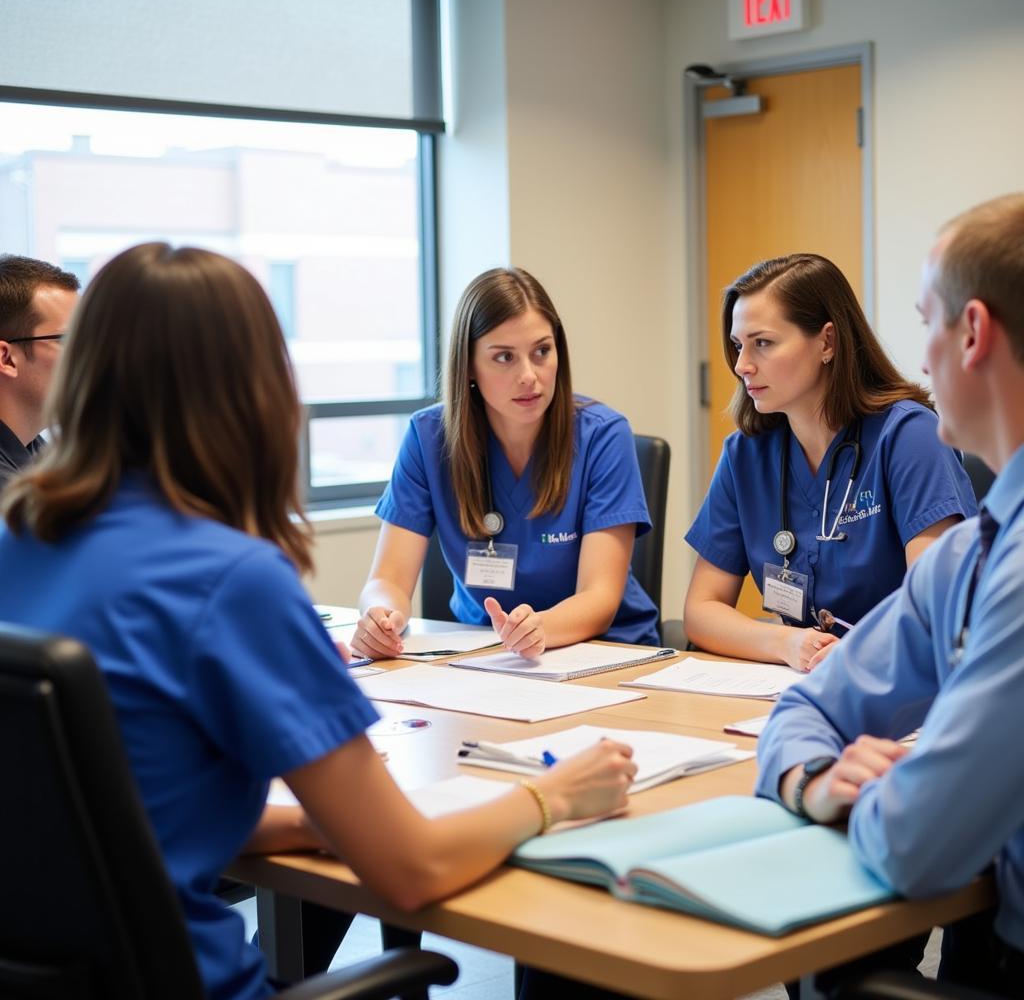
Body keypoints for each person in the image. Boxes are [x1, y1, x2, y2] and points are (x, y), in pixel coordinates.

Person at [0, 243, 637, 1000]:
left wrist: (301, 826)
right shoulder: (233, 582)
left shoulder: (19, 541)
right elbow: (414, 868)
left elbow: (109, 807)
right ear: (254, 388)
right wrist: (553, 797)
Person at [756, 193, 1024, 997]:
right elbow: (803, 710)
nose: (922, 358)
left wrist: (870, 796)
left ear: (972, 333)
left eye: (926, 322)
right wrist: (817, 779)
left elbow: (917, 843)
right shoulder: (979, 546)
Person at [684, 253, 976, 671]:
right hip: (802, 681)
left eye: (762, 343)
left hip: (903, 680)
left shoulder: (909, 436)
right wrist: (784, 642)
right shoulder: (745, 455)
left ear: (826, 342)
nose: (742, 365)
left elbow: (935, 599)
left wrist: (862, 651)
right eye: (737, 345)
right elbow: (701, 609)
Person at [355, 266, 659, 659]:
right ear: (469, 367)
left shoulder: (603, 436)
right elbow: (387, 579)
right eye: (504, 357)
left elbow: (599, 599)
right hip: (483, 653)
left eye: (542, 352)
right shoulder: (429, 437)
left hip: (604, 652)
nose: (529, 376)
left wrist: (537, 629)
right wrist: (381, 617)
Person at [0, 254, 79, 487]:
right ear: (6, 358)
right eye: (71, 340)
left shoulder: (36, 454)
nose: (89, 355)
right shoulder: (9, 501)